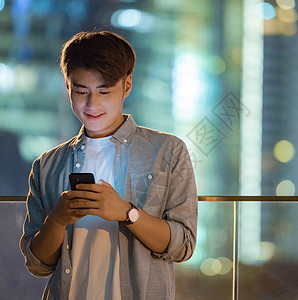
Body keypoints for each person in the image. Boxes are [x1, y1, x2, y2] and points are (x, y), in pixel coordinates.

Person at [20, 30, 198, 300]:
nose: (92, 103)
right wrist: (57, 220)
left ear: (127, 85)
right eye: (81, 91)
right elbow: (37, 265)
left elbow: (183, 245)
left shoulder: (168, 151)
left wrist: (127, 213)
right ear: (67, 86)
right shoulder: (47, 165)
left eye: (104, 91)